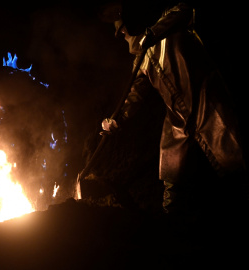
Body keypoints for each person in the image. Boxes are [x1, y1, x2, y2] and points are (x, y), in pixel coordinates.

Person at [101, 1, 247, 217]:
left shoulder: (170, 23)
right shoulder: (142, 60)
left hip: (207, 102)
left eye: (121, 26)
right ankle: (172, 226)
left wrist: (153, 33)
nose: (119, 33)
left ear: (131, 22)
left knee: (234, 160)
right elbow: (134, 96)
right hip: (177, 119)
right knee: (172, 178)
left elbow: (186, 9)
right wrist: (117, 120)